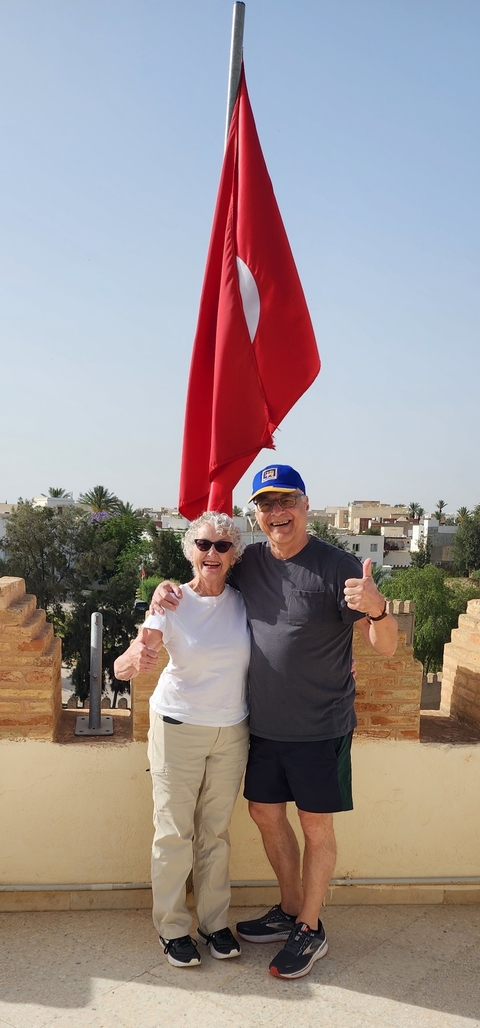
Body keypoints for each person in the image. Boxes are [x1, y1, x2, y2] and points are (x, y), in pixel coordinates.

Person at [151, 464, 398, 980]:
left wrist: (377, 610)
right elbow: (206, 576)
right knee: (264, 815)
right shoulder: (251, 563)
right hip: (260, 726)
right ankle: (289, 909)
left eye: (285, 501)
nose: (276, 512)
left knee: (315, 827)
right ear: (257, 516)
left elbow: (388, 647)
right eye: (265, 504)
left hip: (321, 727)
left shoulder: (337, 565)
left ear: (305, 506)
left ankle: (310, 928)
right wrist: (163, 591)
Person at [114, 512, 250, 968]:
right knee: (174, 832)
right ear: (190, 550)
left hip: (232, 730)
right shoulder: (170, 602)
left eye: (222, 546)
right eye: (204, 545)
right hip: (178, 727)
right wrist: (135, 658)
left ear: (234, 555)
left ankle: (214, 925)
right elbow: (129, 661)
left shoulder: (244, 601)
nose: (212, 553)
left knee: (215, 832)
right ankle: (172, 929)